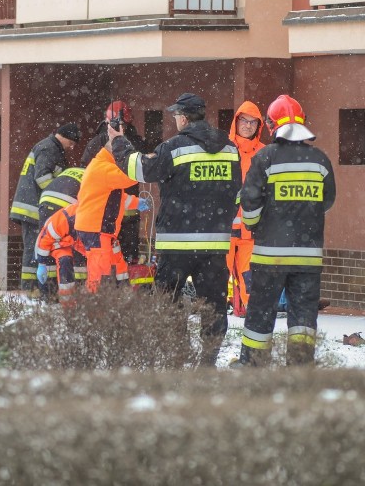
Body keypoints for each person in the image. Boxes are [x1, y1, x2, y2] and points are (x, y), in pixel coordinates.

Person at [108, 92, 241, 366]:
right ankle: (207, 362)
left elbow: (140, 169)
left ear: (182, 118)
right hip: (215, 246)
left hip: (176, 245)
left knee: (169, 303)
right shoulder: (230, 149)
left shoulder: (174, 147)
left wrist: (118, 142)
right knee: (214, 307)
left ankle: (179, 356)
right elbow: (236, 194)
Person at [231, 95, 336, 368]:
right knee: (303, 315)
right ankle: (300, 365)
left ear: (271, 124)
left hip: (269, 256)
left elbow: (250, 202)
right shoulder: (320, 160)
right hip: (308, 258)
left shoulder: (265, 157)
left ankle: (252, 363)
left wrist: (253, 225)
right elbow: (327, 201)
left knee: (261, 311)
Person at [9, 123, 80, 293]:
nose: (72, 147)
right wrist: (59, 197)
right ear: (64, 137)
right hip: (33, 208)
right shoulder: (49, 149)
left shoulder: (51, 148)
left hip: (34, 206)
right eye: (71, 143)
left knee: (38, 247)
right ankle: (30, 291)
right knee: (35, 248)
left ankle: (40, 290)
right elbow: (42, 178)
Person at [75, 142, 149, 294]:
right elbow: (128, 179)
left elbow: (117, 198)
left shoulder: (102, 166)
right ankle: (96, 307)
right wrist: (145, 164)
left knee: (110, 266)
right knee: (100, 274)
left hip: (97, 229)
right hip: (97, 229)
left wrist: (136, 202)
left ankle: (110, 300)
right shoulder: (104, 168)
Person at [81, 101, 147, 265]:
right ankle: (122, 283)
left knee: (105, 257)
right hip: (118, 209)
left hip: (105, 213)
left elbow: (84, 169)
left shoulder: (98, 142)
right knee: (123, 255)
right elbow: (142, 167)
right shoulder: (133, 142)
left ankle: (111, 284)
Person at [225, 101, 265, 318]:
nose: (248, 126)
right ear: (236, 121)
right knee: (218, 278)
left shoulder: (265, 153)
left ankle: (253, 318)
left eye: (253, 122)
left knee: (250, 278)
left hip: (252, 231)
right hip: (225, 229)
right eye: (244, 121)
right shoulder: (224, 149)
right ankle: (213, 319)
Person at [37, 166, 86, 292]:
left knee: (48, 242)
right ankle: (79, 290)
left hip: (46, 200)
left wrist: (41, 263)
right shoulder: (94, 175)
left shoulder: (72, 170)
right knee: (72, 256)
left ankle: (47, 292)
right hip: (68, 205)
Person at [35, 202, 87, 304]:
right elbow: (44, 241)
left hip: (67, 241)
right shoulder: (62, 221)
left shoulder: (85, 217)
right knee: (65, 260)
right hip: (53, 242)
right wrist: (41, 264)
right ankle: (67, 303)